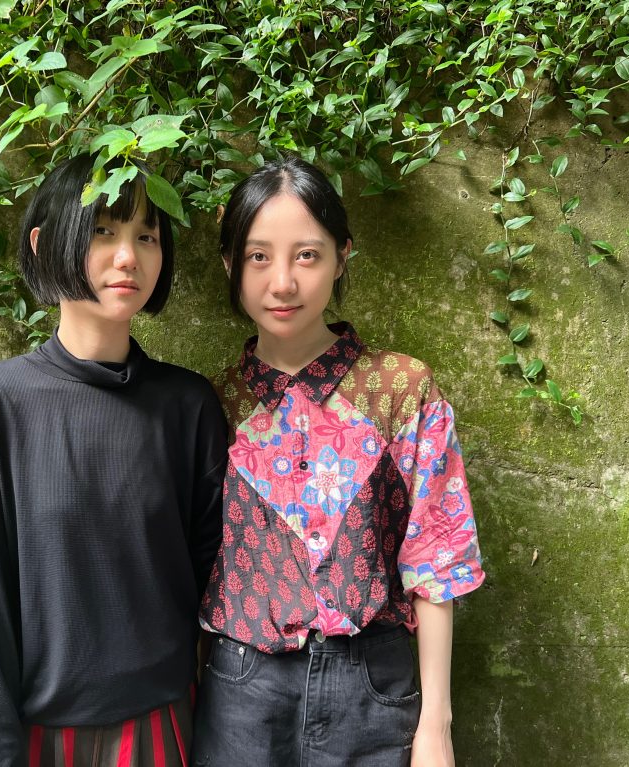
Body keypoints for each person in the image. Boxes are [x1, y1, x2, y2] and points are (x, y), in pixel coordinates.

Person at [0, 153, 227, 767]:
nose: (128, 256)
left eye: (147, 236)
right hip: (38, 739)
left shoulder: (188, 406)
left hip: (164, 730)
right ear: (44, 245)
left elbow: (214, 588)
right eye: (103, 232)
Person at [190, 156, 485, 767]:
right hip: (240, 689)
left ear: (342, 256)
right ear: (229, 263)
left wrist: (436, 724)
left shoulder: (402, 389)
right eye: (258, 256)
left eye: (307, 255)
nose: (282, 283)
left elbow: (437, 557)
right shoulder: (210, 404)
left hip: (372, 686)